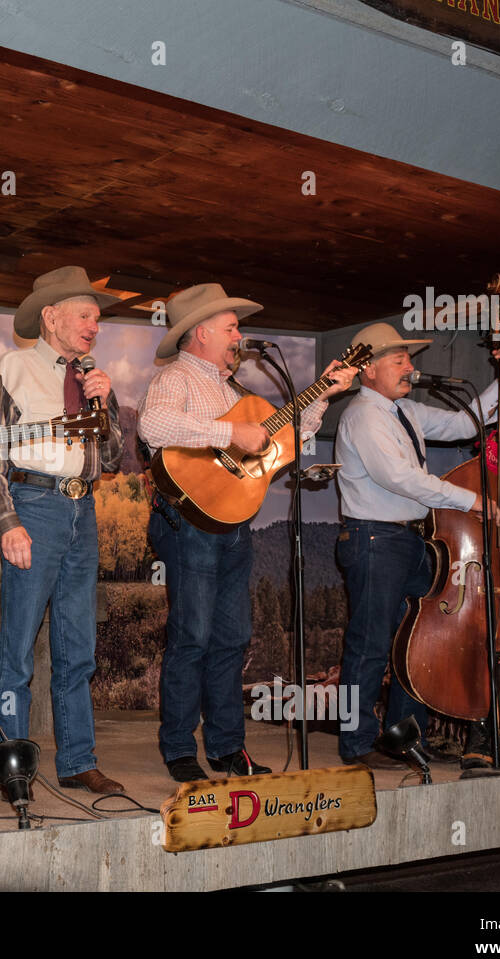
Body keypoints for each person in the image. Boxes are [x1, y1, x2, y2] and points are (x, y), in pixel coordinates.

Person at [138, 283, 357, 782]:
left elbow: (284, 439)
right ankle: (178, 748)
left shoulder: (235, 391)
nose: (241, 335)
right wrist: (230, 433)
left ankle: (226, 747)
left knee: (232, 638)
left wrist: (322, 391)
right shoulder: (177, 378)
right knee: (191, 636)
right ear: (200, 333)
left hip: (233, 522)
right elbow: (153, 427)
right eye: (232, 326)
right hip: (187, 522)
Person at [334, 322, 500, 768]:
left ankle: (403, 737)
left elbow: (462, 424)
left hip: (404, 541)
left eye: (408, 360)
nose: (410, 368)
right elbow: (399, 478)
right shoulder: (363, 415)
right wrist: (472, 500)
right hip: (373, 538)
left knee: (419, 639)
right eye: (398, 360)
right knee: (371, 643)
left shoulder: (407, 412)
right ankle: (356, 744)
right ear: (369, 370)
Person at [0, 266, 126, 795]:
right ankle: (13, 766)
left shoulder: (92, 377)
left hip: (84, 511)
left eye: (97, 319)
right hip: (33, 505)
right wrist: (7, 522)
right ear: (51, 317)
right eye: (85, 315)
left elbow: (112, 457)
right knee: (17, 648)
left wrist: (105, 403)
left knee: (77, 646)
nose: (94, 327)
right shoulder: (12, 368)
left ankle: (78, 760)